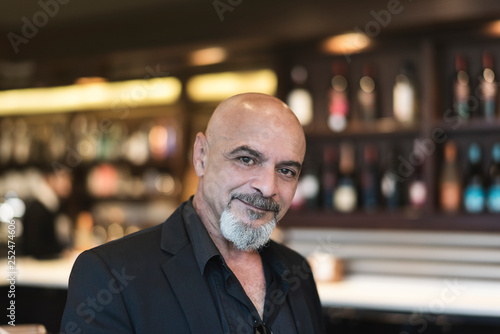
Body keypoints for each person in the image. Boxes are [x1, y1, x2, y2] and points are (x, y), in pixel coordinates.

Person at [60, 93, 325, 334]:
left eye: (286, 171)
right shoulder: (110, 275)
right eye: (247, 159)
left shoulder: (297, 271)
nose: (268, 187)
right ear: (201, 156)